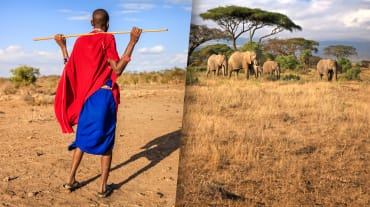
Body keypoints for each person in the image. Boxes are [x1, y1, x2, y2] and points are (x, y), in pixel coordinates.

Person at [53, 8, 142, 198]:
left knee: (82, 140)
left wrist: (62, 47)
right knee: (107, 143)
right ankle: (102, 187)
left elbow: (70, 69)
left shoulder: (80, 41)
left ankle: (70, 181)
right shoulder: (107, 38)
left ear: (91, 23)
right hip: (102, 98)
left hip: (86, 100)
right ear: (108, 24)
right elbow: (117, 70)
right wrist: (132, 42)